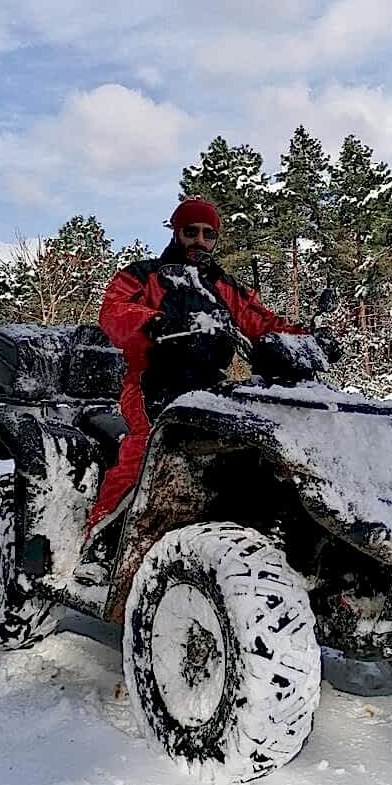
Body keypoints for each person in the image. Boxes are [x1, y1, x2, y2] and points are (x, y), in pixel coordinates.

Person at [84, 197, 305, 541]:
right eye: (191, 232)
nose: (200, 241)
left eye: (208, 234)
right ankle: (100, 537)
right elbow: (113, 312)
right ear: (176, 232)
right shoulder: (143, 275)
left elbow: (262, 322)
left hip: (211, 389)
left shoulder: (224, 286)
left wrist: (307, 339)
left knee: (258, 449)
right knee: (148, 447)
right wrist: (154, 322)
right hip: (150, 382)